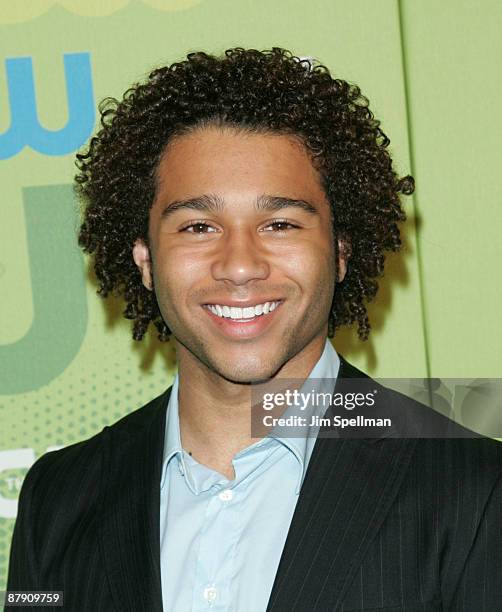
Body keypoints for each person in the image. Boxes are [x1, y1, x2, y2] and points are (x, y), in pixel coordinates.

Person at [6, 48, 502, 611]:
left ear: (340, 250)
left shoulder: (475, 489)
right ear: (144, 258)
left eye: (280, 223)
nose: (240, 265)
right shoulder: (58, 495)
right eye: (198, 226)